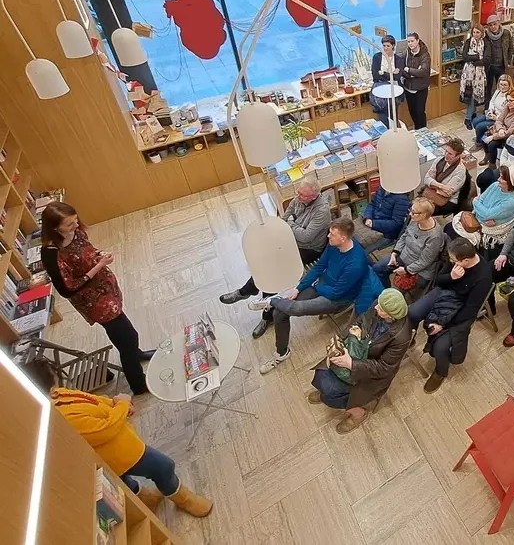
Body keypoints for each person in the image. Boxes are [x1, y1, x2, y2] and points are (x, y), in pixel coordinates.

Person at [23, 359, 213, 515]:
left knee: (123, 479)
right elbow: (105, 430)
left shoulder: (57, 394)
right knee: (163, 467)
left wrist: (116, 403)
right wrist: (122, 406)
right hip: (116, 452)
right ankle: (185, 500)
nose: (57, 380)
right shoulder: (61, 416)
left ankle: (145, 499)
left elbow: (91, 400)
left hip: (116, 445)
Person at [40, 203, 153, 396]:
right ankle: (138, 383)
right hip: (94, 301)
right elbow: (67, 289)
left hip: (106, 289)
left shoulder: (76, 232)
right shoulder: (51, 253)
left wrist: (99, 255)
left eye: (75, 220)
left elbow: (87, 250)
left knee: (121, 333)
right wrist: (99, 266)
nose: (76, 226)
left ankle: (136, 354)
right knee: (128, 336)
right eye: (69, 224)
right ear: (55, 228)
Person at [256, 218, 383, 373]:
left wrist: (317, 286)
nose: (328, 236)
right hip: (324, 285)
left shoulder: (356, 263)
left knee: (297, 308)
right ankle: (282, 353)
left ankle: (273, 300)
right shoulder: (334, 245)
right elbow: (319, 266)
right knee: (280, 312)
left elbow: (337, 293)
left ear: (343, 238)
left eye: (332, 234)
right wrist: (299, 288)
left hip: (337, 299)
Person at [220, 178, 331, 339]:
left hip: (310, 249)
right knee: (267, 262)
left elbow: (306, 237)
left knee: (274, 271)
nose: (297, 196)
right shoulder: (299, 199)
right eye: (298, 192)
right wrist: (291, 225)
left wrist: (290, 224)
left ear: (314, 196)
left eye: (302, 195)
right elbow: (283, 220)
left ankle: (256, 305)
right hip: (291, 240)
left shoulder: (322, 211)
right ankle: (250, 294)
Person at [309, 288, 410, 434]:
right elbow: (360, 320)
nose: (376, 307)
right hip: (356, 351)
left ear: (391, 315)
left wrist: (351, 364)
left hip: (371, 371)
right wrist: (342, 339)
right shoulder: (378, 305)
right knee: (322, 374)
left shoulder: (401, 336)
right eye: (378, 303)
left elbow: (384, 368)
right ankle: (325, 392)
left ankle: (358, 413)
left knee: (332, 391)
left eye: (381, 308)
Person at [408, 238, 493, 392]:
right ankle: (410, 339)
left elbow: (470, 310)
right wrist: (451, 277)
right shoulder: (455, 258)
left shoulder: (483, 276)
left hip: (460, 307)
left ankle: (440, 372)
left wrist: (442, 323)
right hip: (445, 291)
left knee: (441, 347)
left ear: (465, 260)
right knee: (413, 312)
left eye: (454, 260)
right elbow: (438, 280)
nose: (451, 261)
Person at [372, 198, 444, 290]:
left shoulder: (434, 237)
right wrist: (395, 253)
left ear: (423, 215)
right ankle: (385, 289)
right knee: (377, 268)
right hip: (404, 256)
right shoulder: (415, 220)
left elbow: (425, 261)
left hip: (420, 268)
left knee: (398, 290)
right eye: (410, 210)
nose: (410, 214)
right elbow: (404, 236)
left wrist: (406, 270)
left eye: (413, 212)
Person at [480, 90, 514, 166]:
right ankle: (487, 156)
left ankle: (492, 164)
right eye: (507, 100)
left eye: (511, 101)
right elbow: (499, 120)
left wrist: (493, 136)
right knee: (483, 138)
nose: (508, 103)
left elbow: (510, 132)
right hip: (501, 131)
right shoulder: (508, 107)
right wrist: (500, 129)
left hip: (510, 137)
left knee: (491, 144)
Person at [421, 137, 468, 215]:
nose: (446, 155)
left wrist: (432, 183)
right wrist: (442, 186)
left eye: (450, 154)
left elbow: (447, 193)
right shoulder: (439, 160)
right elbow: (426, 179)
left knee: (421, 211)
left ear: (458, 156)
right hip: (431, 192)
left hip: (447, 201)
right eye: (446, 151)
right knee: (414, 206)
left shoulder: (460, 171)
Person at [360, 186, 412, 255]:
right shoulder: (382, 188)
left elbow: (396, 223)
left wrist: (374, 224)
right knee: (353, 235)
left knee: (363, 250)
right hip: (373, 222)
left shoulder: (402, 198)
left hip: (387, 233)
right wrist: (367, 217)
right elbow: (372, 204)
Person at [460, 24, 491, 129]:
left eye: (478, 32)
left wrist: (474, 61)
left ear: (482, 33)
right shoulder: (468, 42)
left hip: (480, 74)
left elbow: (486, 60)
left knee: (474, 95)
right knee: (470, 95)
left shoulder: (486, 43)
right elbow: (464, 56)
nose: (475, 34)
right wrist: (476, 57)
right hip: (468, 74)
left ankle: (469, 117)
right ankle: (469, 117)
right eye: (474, 32)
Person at [471, 165, 514, 231]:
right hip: (478, 217)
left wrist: (475, 202)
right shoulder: (495, 185)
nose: (498, 179)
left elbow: (486, 215)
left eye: (502, 178)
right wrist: (480, 209)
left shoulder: (511, 202)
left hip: (489, 228)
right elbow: (481, 199)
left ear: (510, 182)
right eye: (500, 176)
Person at [370, 34, 405, 129]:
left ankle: (395, 133)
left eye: (388, 46)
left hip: (394, 90)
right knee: (382, 116)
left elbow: (397, 76)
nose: (385, 48)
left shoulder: (398, 59)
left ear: (393, 46)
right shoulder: (377, 57)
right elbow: (375, 75)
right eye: (384, 45)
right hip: (381, 89)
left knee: (394, 115)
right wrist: (391, 73)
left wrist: (383, 73)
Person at [471, 73, 514, 149]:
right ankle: (480, 136)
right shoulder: (498, 91)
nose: (502, 87)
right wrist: (490, 110)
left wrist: (496, 117)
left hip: (499, 120)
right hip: (492, 114)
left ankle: (478, 143)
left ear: (509, 85)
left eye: (505, 85)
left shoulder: (510, 97)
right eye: (501, 84)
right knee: (475, 121)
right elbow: (492, 102)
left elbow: (507, 115)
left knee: (479, 127)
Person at [401, 32, 431, 129]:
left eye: (412, 41)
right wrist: (412, 74)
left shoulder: (425, 55)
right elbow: (401, 68)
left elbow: (423, 72)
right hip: (408, 87)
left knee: (420, 111)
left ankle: (422, 130)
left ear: (417, 41)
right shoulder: (406, 53)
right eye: (408, 42)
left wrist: (409, 70)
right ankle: (417, 128)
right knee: (412, 111)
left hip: (420, 88)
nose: (410, 43)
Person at [484, 14, 514, 99]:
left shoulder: (506, 33)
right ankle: (487, 104)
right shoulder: (485, 35)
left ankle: (499, 102)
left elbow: (511, 47)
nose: (493, 27)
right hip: (489, 65)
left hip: (501, 65)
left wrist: (508, 61)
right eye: (490, 25)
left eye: (495, 24)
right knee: (488, 87)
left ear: (499, 23)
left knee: (502, 86)